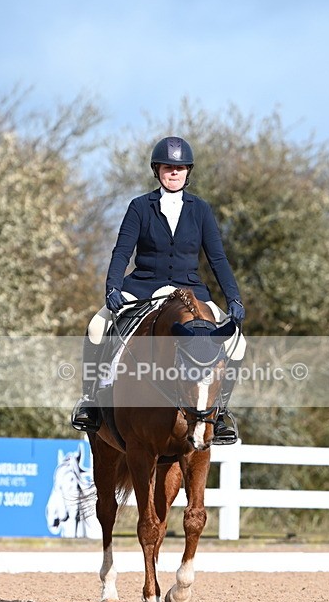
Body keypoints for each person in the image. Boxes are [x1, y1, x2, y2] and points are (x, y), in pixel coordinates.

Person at [71, 136, 246, 443]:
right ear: (157, 171)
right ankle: (91, 401)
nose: (174, 173)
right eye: (168, 167)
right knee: (97, 327)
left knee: (238, 343)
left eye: (179, 168)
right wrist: (112, 287)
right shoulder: (140, 206)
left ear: (188, 172)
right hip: (143, 288)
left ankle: (221, 415)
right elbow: (122, 251)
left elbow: (217, 258)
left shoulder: (201, 210)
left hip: (190, 292)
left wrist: (233, 297)